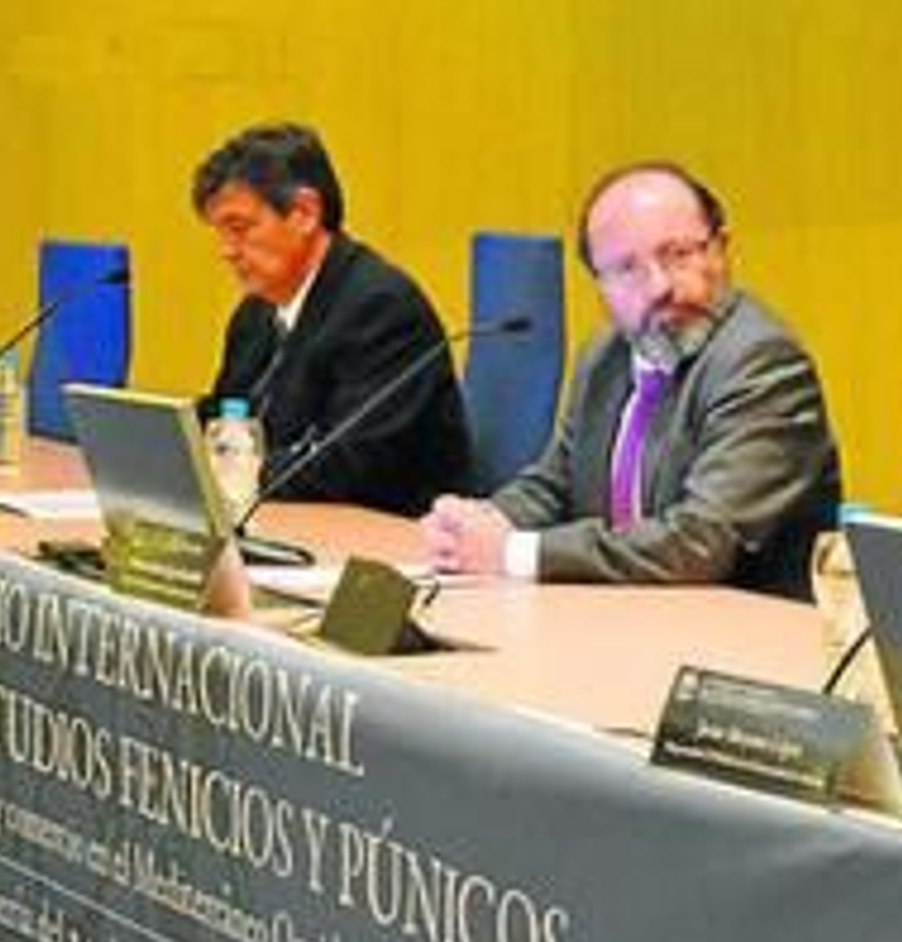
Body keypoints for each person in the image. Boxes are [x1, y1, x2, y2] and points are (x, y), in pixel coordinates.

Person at [422, 161, 841, 599]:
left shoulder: (761, 364)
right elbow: (555, 485)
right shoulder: (605, 356)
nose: (659, 286)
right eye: (627, 269)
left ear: (722, 248)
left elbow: (699, 543)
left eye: (678, 255)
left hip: (741, 639)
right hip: (629, 618)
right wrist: (478, 526)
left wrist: (514, 553)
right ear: (600, 284)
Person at [193, 122, 476, 517]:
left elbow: (352, 466)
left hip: (386, 542)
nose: (227, 251)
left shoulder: (382, 308)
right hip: (286, 526)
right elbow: (227, 417)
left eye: (239, 229)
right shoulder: (255, 315)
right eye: (220, 233)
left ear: (305, 213)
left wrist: (225, 472)